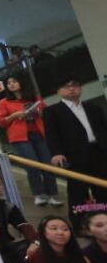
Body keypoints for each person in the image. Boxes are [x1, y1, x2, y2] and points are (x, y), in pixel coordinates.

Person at [44, 76, 107, 216]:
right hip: (73, 156)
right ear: (59, 91)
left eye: (75, 85)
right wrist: (56, 153)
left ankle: (103, 218)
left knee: (103, 188)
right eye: (66, 86)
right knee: (78, 192)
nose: (72, 89)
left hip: (99, 153)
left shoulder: (93, 107)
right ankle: (80, 222)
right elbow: (52, 134)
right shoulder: (52, 111)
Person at [0, 76, 61, 206]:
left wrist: (38, 111)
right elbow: (1, 121)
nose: (11, 84)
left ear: (21, 82)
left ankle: (52, 195)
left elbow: (46, 113)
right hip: (20, 137)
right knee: (32, 165)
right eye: (8, 83)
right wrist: (14, 115)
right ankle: (38, 195)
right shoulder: (4, 102)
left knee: (47, 164)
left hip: (39, 134)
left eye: (14, 81)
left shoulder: (35, 98)